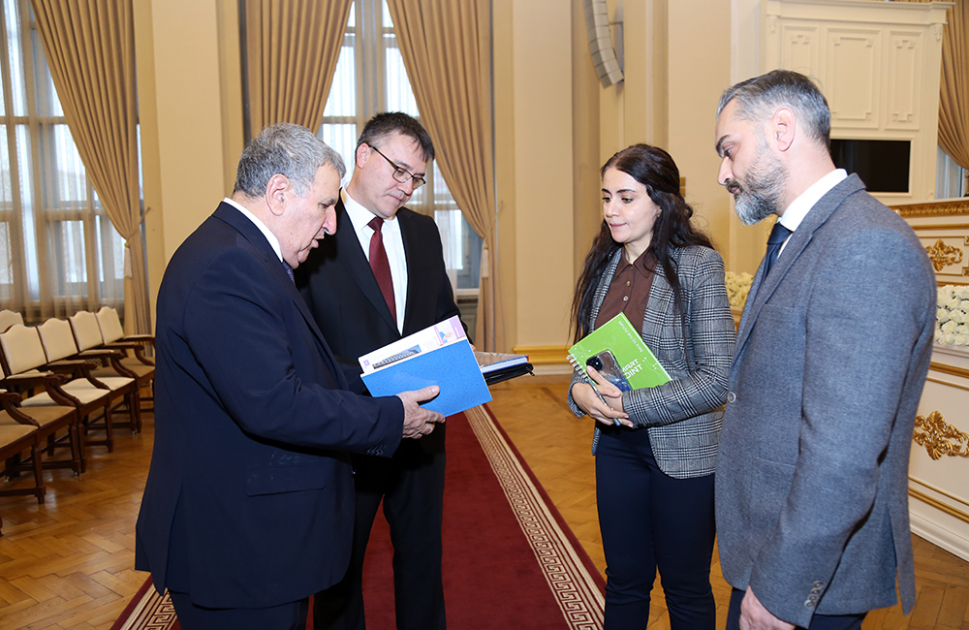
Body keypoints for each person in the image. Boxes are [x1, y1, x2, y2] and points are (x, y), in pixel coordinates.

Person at [134, 123, 445, 630]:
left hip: (252, 537)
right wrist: (391, 417)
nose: (330, 225)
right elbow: (275, 402)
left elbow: (306, 369)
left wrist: (381, 386)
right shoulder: (228, 266)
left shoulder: (244, 254)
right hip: (237, 542)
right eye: (325, 206)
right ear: (279, 193)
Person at [713, 70, 936, 630]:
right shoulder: (802, 233)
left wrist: (782, 590)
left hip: (804, 576)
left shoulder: (865, 244)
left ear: (781, 129)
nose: (724, 172)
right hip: (768, 544)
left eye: (729, 149)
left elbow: (843, 455)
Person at [296, 112, 464, 630]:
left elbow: (443, 318)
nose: (407, 186)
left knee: (421, 556)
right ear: (363, 154)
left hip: (424, 428)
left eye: (416, 177)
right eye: (399, 170)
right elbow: (305, 343)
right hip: (350, 430)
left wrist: (471, 364)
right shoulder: (318, 230)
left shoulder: (423, 231)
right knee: (340, 568)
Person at [566, 144, 735, 630]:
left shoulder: (698, 266)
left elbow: (716, 379)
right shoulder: (604, 266)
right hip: (617, 448)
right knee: (623, 580)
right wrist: (579, 395)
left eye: (625, 198)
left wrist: (632, 403)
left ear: (660, 203)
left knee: (684, 588)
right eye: (605, 198)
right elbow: (589, 357)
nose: (611, 211)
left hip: (685, 452)